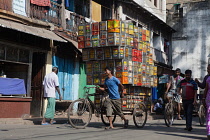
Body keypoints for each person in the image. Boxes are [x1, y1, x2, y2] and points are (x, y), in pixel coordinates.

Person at [204, 75, 210, 139]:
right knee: (209, 116)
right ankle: (209, 132)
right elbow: (206, 88)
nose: (208, 70)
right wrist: (203, 97)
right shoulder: (208, 78)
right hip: (209, 99)